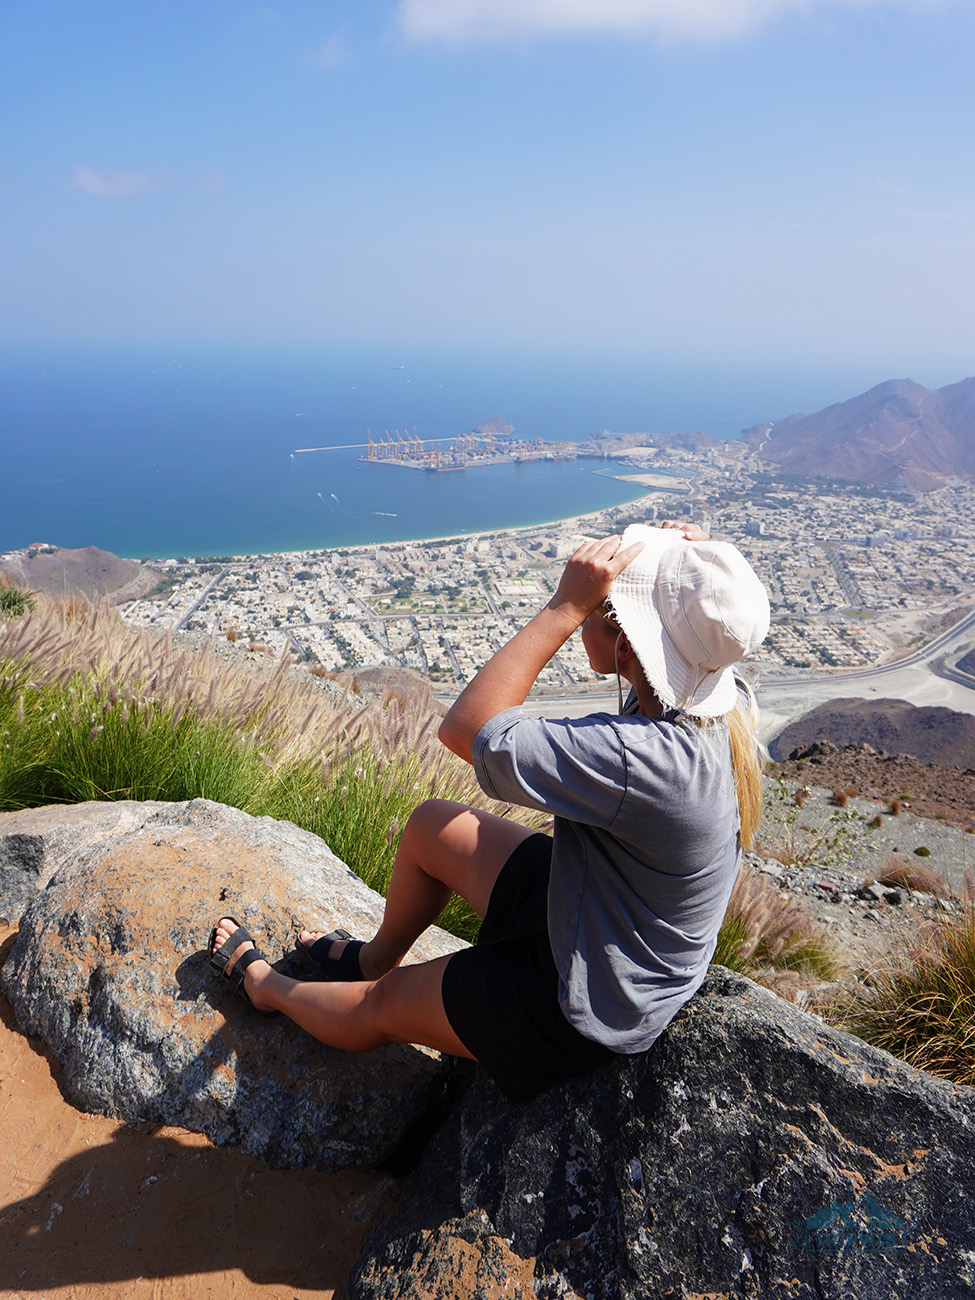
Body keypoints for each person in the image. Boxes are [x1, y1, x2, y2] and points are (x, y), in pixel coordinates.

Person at [208, 519, 770, 1101]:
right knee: (432, 827)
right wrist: (689, 563)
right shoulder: (701, 703)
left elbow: (468, 728)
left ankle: (264, 987)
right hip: (598, 907)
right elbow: (695, 636)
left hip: (591, 997)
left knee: (383, 1006)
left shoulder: (642, 759)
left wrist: (563, 607)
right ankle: (373, 956)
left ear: (627, 645)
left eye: (605, 607)